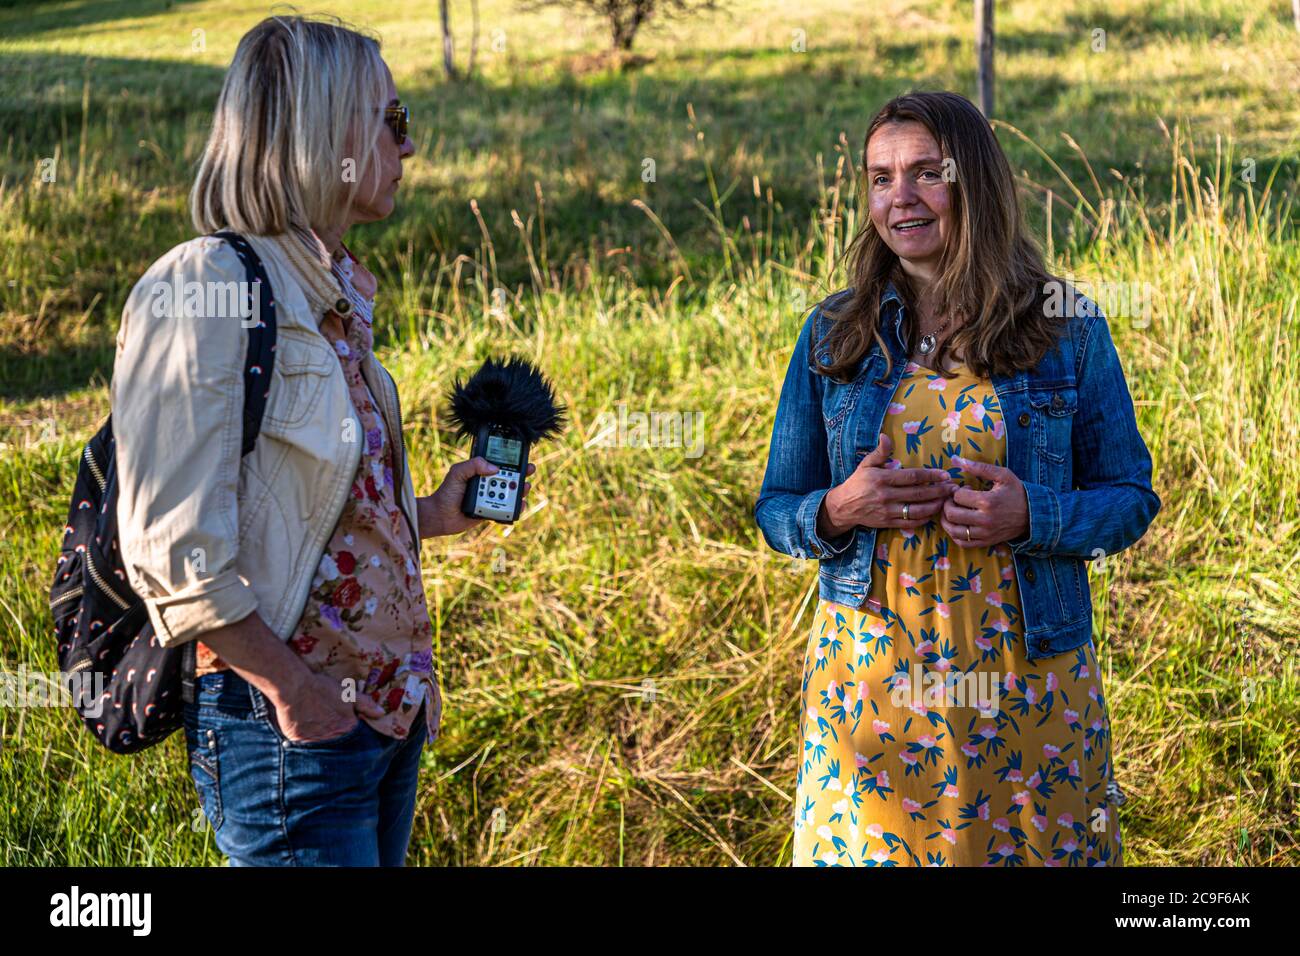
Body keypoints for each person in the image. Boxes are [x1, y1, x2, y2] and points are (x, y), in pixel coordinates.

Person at [111, 14, 534, 866]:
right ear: (326, 131)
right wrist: (299, 696)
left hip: (383, 717)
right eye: (394, 120)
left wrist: (426, 515)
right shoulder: (204, 288)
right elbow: (172, 549)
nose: (406, 149)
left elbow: (297, 511)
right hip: (291, 736)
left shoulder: (328, 291)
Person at [754, 91, 1160, 866]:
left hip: (1027, 681)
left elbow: (1130, 499)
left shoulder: (1064, 323)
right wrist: (838, 509)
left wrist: (1034, 515)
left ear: (972, 181)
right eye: (878, 178)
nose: (897, 198)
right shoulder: (835, 331)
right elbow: (777, 507)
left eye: (923, 174)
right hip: (871, 689)